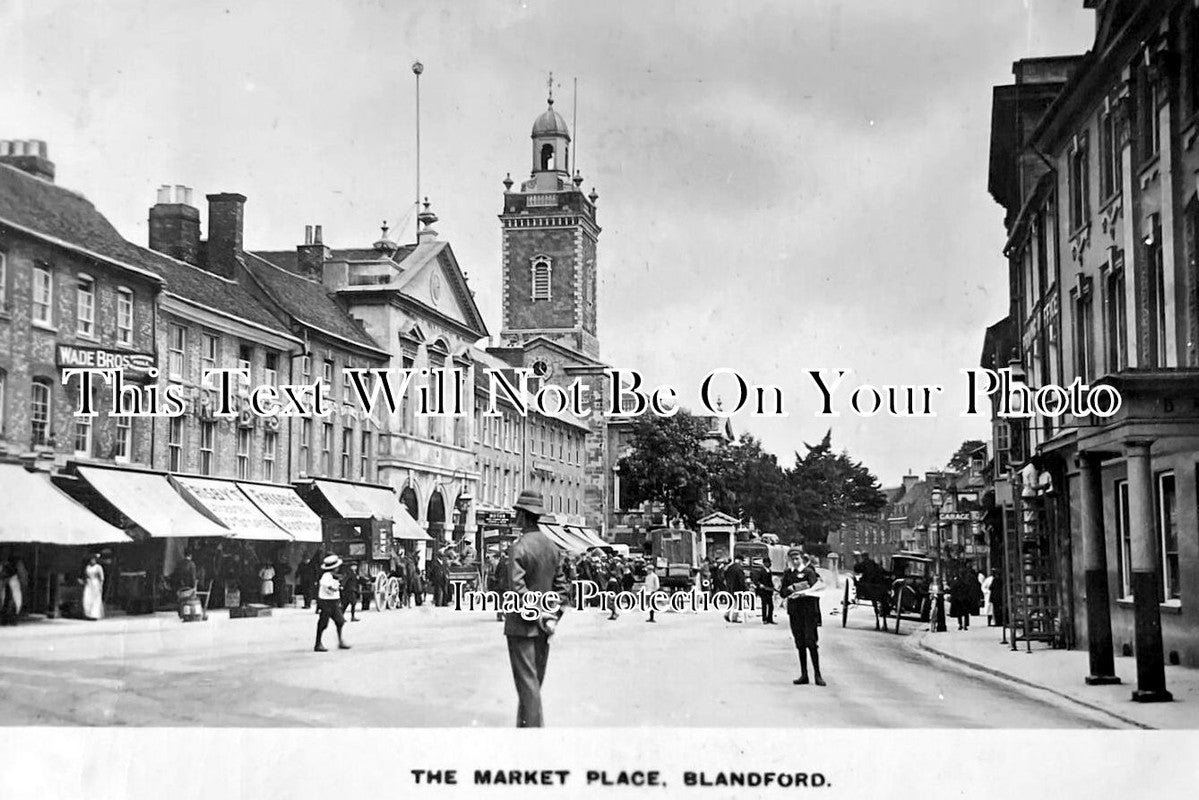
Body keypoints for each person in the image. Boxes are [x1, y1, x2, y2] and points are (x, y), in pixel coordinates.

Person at [504, 489, 569, 728]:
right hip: (544, 629)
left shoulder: (519, 547)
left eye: (517, 514)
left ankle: (531, 737)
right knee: (533, 684)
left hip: (521, 627)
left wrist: (536, 612)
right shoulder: (553, 548)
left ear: (522, 516)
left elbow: (517, 588)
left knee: (528, 686)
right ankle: (525, 730)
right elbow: (562, 591)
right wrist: (550, 617)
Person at [780, 550, 825, 686]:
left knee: (811, 642)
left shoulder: (809, 572)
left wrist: (798, 587)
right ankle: (804, 674)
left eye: (797, 558)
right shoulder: (788, 574)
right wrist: (789, 589)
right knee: (800, 643)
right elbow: (782, 592)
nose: (795, 561)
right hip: (795, 612)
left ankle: (817, 674)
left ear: (802, 559)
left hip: (808, 612)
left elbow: (815, 588)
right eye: (792, 559)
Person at [314, 555, 351, 652]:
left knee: (340, 621)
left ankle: (340, 641)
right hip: (326, 601)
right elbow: (325, 584)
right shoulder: (326, 576)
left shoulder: (332, 575)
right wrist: (334, 587)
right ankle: (318, 643)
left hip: (334, 601)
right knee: (323, 623)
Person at [751, 556, 776, 624]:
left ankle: (770, 619)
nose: (770, 564)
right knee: (764, 605)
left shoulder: (769, 571)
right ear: (765, 563)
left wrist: (773, 587)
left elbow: (770, 581)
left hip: (769, 590)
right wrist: (760, 585)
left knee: (771, 605)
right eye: (768, 562)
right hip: (763, 591)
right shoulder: (761, 571)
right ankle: (764, 619)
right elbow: (756, 580)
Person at [723, 555, 747, 623]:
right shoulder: (739, 568)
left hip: (729, 587)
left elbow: (724, 575)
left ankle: (727, 614)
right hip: (737, 588)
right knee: (737, 603)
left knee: (731, 602)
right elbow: (741, 580)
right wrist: (745, 588)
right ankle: (734, 618)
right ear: (740, 561)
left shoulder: (730, 567)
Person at [82, 553, 105, 621]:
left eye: (94, 560)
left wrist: (101, 586)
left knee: (95, 599)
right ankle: (88, 614)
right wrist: (85, 581)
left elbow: (101, 577)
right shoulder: (88, 567)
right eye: (91, 560)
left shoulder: (98, 567)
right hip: (89, 584)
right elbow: (85, 575)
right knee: (87, 598)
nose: (92, 561)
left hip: (95, 583)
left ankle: (95, 614)